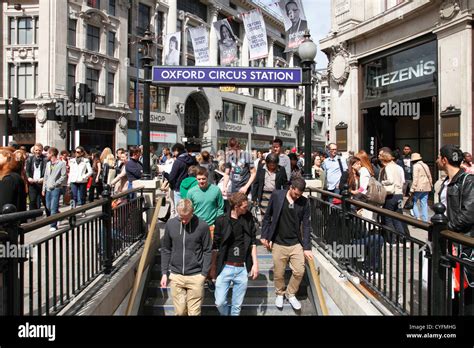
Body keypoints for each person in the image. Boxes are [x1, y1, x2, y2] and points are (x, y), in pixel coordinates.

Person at [260, 177, 313, 310]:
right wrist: (264, 235)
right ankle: (279, 293)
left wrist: (307, 247)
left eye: (299, 195)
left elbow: (306, 225)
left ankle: (290, 293)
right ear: (291, 188)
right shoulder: (277, 195)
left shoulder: (304, 202)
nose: (297, 197)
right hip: (278, 242)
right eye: (295, 194)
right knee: (278, 273)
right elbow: (267, 217)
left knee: (299, 271)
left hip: (296, 243)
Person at [437, 144, 474, 315]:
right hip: (449, 241)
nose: (437, 160)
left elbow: (469, 214)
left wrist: (446, 229)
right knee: (453, 286)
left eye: (439, 157)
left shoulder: (467, 180)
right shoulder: (445, 183)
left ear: (444, 160)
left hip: (462, 241)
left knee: (466, 287)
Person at [160, 199, 212, 316]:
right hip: (176, 275)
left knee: (194, 313)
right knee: (179, 312)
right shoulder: (171, 224)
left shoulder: (202, 225)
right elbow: (166, 249)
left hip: (196, 275)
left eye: (186, 218)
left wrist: (204, 273)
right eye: (181, 217)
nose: (183, 221)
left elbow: (208, 250)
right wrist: (164, 273)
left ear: (192, 212)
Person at [210, 192, 259, 316]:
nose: (246, 209)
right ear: (236, 206)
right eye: (244, 207)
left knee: (237, 307)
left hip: (242, 267)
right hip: (225, 266)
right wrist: (213, 268)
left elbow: (253, 242)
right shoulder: (221, 220)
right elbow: (215, 246)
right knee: (220, 302)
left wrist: (255, 264)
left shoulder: (248, 218)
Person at [378, 147, 407, 243]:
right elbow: (403, 181)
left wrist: (382, 182)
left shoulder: (388, 167)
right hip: (399, 194)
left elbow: (390, 180)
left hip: (391, 195)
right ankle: (402, 239)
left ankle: (392, 240)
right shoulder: (398, 167)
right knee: (397, 217)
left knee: (388, 218)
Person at [42, 147, 67, 232]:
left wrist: (56, 183)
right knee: (48, 207)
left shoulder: (61, 164)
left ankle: (53, 225)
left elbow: (64, 176)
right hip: (48, 188)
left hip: (56, 188)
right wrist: (43, 188)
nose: (46, 155)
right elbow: (45, 176)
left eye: (48, 153)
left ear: (52, 154)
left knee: (53, 207)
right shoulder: (48, 164)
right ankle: (59, 216)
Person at [0, 147, 26, 213]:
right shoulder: (13, 177)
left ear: (7, 156)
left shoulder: (9, 179)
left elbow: (4, 208)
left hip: (8, 221)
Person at [68, 146, 93, 215]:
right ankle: (72, 211)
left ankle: (83, 211)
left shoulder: (86, 160)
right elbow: (71, 171)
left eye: (78, 152)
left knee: (82, 197)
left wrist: (84, 177)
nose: (76, 153)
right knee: (73, 196)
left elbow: (90, 171)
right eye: (75, 152)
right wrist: (68, 182)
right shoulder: (72, 160)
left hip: (82, 181)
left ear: (82, 153)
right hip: (73, 180)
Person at [25, 143, 48, 214]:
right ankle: (32, 217)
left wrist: (44, 178)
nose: (38, 152)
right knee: (32, 201)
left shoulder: (45, 159)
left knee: (45, 201)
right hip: (32, 183)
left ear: (42, 150)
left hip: (42, 183)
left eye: (39, 150)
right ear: (34, 151)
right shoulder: (30, 159)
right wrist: (29, 178)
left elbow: (47, 171)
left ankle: (49, 216)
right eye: (36, 150)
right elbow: (27, 171)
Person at [409, 153, 433, 222]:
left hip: (418, 187)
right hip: (426, 187)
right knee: (424, 203)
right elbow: (429, 176)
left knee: (414, 202)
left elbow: (415, 178)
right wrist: (431, 184)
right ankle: (425, 219)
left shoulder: (416, 166)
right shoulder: (425, 165)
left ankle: (417, 217)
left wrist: (412, 189)